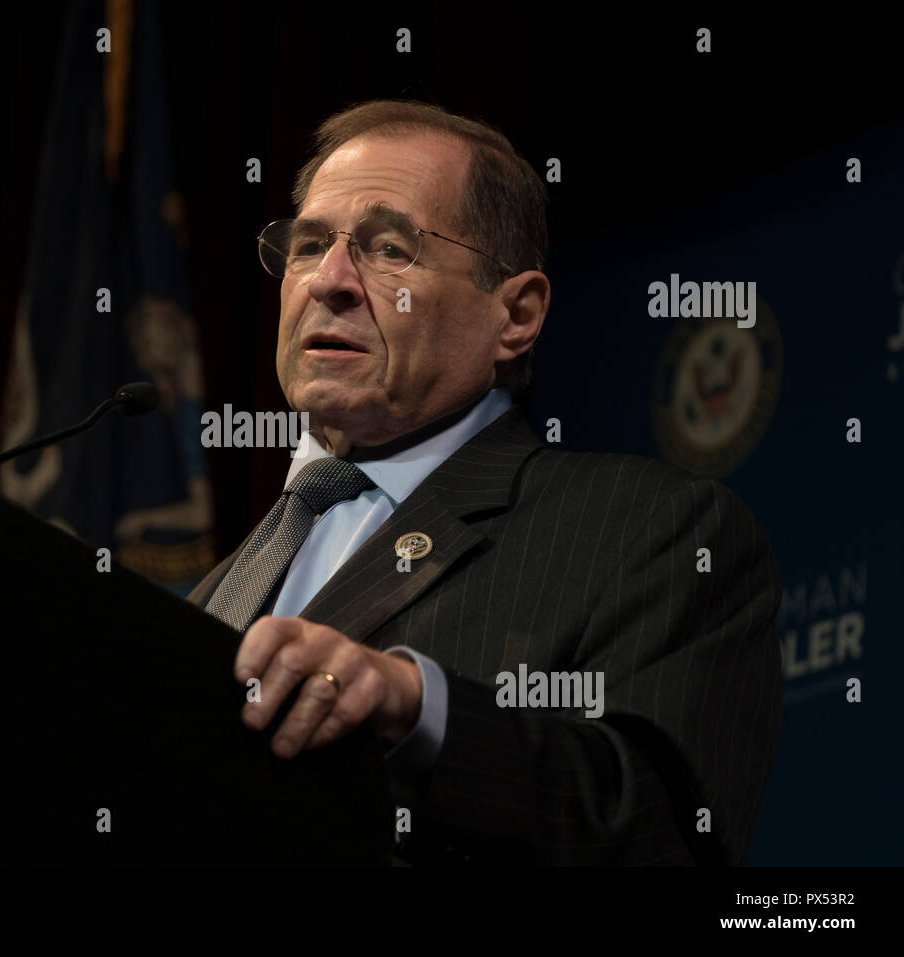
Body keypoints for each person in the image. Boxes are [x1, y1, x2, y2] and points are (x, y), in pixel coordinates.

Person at [187, 99, 783, 865]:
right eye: (307, 245)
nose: (327, 280)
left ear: (517, 314)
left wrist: (422, 709)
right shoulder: (215, 594)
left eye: (389, 249)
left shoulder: (651, 530)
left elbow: (663, 832)